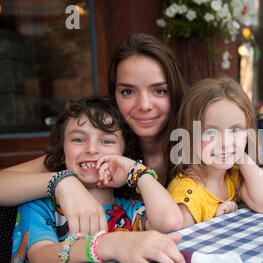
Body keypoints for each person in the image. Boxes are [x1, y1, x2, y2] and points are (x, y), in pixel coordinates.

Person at [0, 33, 186, 234]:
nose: (144, 105)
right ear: (114, 95)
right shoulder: (99, 151)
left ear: (174, 92)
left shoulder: (193, 145)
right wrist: (61, 182)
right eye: (127, 92)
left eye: (159, 91)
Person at [9, 96, 185, 263]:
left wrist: (136, 172)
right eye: (78, 139)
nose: (92, 149)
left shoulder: (131, 210)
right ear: (62, 152)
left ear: (124, 154)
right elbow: (41, 261)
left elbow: (170, 221)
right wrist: (106, 244)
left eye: (107, 141)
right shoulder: (39, 205)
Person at [167, 77, 263, 228]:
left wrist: (241, 155)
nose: (225, 143)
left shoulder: (232, 176)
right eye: (210, 132)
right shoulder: (186, 194)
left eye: (235, 130)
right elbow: (180, 243)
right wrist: (214, 222)